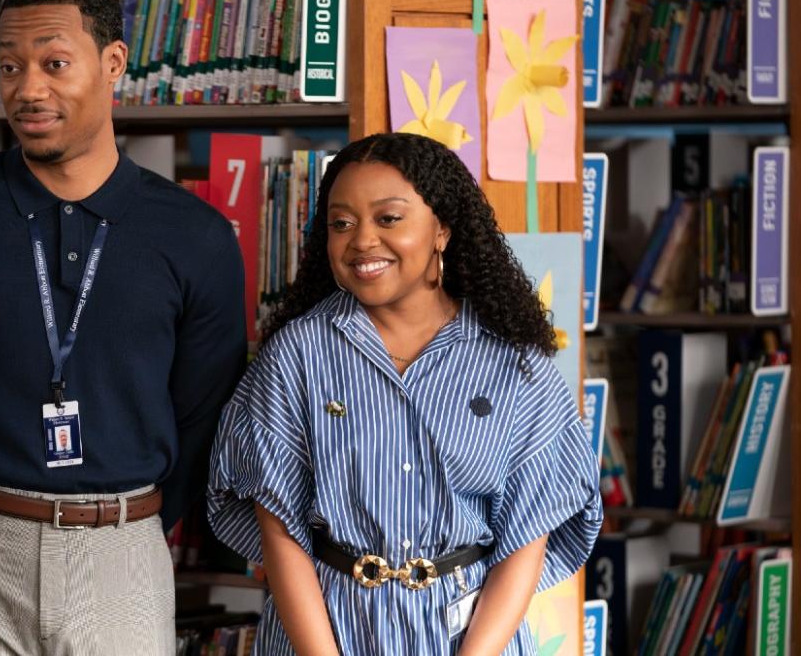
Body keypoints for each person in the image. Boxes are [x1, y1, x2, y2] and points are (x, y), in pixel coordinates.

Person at [0, 0, 246, 655]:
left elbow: (206, 419)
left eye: (54, 62)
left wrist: (127, 528)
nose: (27, 87)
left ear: (113, 63)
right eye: (10, 66)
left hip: (124, 548)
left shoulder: (197, 236)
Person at [206, 133, 603, 655]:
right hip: (326, 629)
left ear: (441, 229)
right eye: (341, 223)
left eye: (388, 219)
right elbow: (279, 529)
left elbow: (527, 538)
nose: (362, 240)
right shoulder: (297, 354)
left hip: (469, 636)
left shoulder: (516, 362)